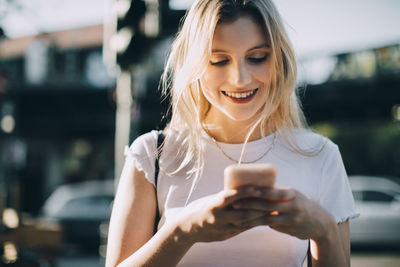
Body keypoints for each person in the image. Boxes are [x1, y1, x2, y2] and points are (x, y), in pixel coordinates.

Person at [105, 0, 359, 266]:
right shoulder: (152, 155)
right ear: (195, 65)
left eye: (257, 57)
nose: (240, 78)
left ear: (279, 60)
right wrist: (183, 231)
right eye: (218, 60)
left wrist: (324, 231)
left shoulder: (320, 156)